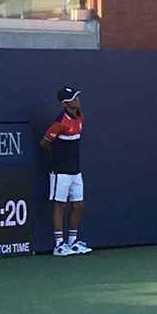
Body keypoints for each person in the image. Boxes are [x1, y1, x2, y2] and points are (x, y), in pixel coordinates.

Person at [39, 86, 93, 257]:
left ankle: (72, 242)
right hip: (60, 171)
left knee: (78, 205)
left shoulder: (80, 116)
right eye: (74, 98)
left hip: (75, 171)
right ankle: (59, 245)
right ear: (65, 104)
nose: (78, 99)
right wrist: (56, 158)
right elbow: (44, 143)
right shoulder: (59, 122)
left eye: (77, 96)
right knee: (60, 205)